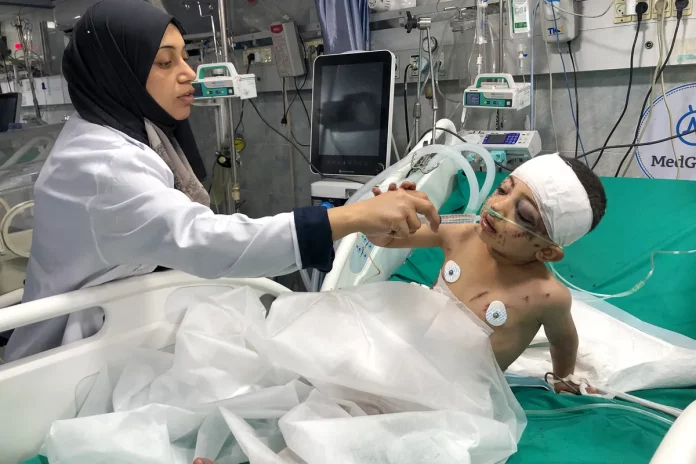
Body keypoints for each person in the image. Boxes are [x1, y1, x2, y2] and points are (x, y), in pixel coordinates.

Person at [3, 0, 440, 362]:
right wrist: (353, 217)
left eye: (185, 56)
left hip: (120, 328)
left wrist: (356, 219)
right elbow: (205, 240)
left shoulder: (125, 132)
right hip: (63, 359)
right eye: (164, 62)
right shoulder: (102, 166)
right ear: (116, 72)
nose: (189, 72)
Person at [369, 154, 607, 392]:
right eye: (502, 190)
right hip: (414, 355)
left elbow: (563, 341)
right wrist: (381, 221)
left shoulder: (546, 296)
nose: (497, 207)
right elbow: (387, 240)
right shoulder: (461, 234)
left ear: (546, 252)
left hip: (462, 392)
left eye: (524, 215)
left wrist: (563, 379)